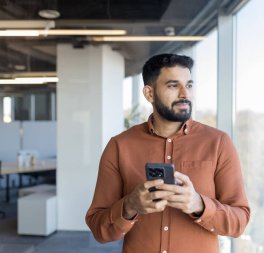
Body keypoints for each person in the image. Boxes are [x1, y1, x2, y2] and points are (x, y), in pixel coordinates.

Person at [85, 53, 250, 253]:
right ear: (149, 93)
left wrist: (199, 205)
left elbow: (239, 222)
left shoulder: (218, 143)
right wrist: (129, 206)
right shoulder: (119, 146)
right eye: (173, 85)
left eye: (189, 85)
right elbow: (99, 230)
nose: (185, 94)